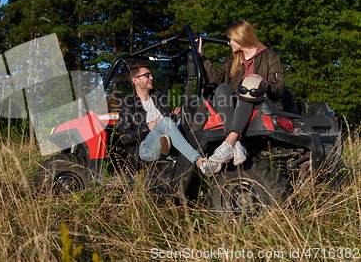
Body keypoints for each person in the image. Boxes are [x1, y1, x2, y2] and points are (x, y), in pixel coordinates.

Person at [198, 20, 285, 165]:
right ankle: (235, 144)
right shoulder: (233, 59)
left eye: (230, 39)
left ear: (240, 37)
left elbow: (279, 88)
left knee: (249, 84)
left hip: (262, 104)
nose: (228, 43)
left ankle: (229, 142)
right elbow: (214, 77)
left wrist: (263, 85)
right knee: (222, 88)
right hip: (238, 107)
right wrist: (200, 55)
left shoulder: (269, 56)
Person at [118, 63, 221, 175]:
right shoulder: (128, 106)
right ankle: (200, 162)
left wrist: (176, 116)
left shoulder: (159, 98)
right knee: (165, 122)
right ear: (135, 81)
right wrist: (147, 127)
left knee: (188, 119)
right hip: (146, 148)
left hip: (166, 141)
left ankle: (216, 153)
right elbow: (124, 137)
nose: (151, 77)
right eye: (147, 75)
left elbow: (167, 120)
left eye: (151, 74)